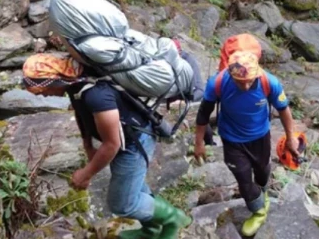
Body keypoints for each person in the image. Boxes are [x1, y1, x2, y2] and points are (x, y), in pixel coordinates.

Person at [22, 54, 192, 239]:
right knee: (132, 188)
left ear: (53, 81)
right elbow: (81, 114)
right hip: (124, 140)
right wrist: (87, 145)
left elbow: (112, 144)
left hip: (135, 143)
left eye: (42, 91)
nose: (44, 95)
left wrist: (86, 174)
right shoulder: (75, 83)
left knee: (122, 204)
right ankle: (150, 230)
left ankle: (172, 219)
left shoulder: (97, 95)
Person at [193, 50, 299, 236]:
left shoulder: (269, 82)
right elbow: (203, 114)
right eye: (241, 82)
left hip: (260, 136)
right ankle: (258, 210)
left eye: (250, 80)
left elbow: (283, 109)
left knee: (262, 170)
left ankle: (262, 192)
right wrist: (199, 143)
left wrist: (291, 137)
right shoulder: (217, 83)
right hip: (232, 139)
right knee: (242, 177)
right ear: (230, 75)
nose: (247, 85)